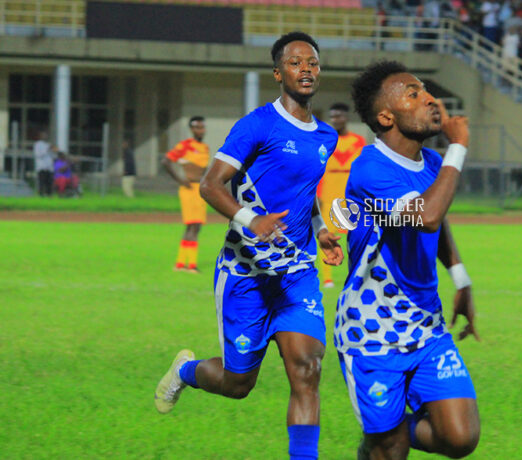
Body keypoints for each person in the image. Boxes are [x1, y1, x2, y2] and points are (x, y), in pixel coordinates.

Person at [153, 32, 343, 460]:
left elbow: (306, 191)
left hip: (296, 274)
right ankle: (185, 370)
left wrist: (319, 229)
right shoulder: (257, 125)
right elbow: (210, 185)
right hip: (245, 276)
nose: (306, 69)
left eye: (313, 62)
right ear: (278, 73)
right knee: (237, 384)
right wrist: (251, 220)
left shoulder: (326, 136)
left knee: (307, 371)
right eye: (295, 63)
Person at [338, 60, 480, 459]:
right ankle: (383, 438)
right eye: (414, 94)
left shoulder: (432, 164)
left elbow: (437, 221)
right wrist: (458, 146)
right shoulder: (370, 169)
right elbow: (426, 214)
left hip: (426, 326)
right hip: (372, 332)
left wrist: (461, 278)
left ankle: (386, 432)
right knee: (391, 450)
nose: (430, 100)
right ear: (386, 117)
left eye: (427, 91)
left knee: (460, 438)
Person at [316, 102, 365, 288]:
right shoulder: (325, 141)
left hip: (352, 195)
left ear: (346, 117)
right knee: (327, 236)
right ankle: (327, 277)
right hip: (329, 195)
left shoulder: (358, 142)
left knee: (356, 236)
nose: (335, 119)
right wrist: (318, 195)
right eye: (332, 116)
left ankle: (355, 274)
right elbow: (319, 170)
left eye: (338, 116)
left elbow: (362, 169)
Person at [161, 116, 209, 273]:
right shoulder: (185, 145)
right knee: (194, 225)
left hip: (199, 189)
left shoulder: (205, 148)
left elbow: (204, 170)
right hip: (189, 189)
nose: (201, 130)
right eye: (197, 127)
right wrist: (180, 180)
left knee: (194, 226)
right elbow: (166, 161)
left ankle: (180, 264)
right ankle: (192, 265)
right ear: (191, 129)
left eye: (202, 127)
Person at [33, 130, 54, 197]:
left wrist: (52, 150)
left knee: (49, 183)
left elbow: (52, 156)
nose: (45, 137)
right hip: (42, 167)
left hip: (49, 167)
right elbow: (38, 155)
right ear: (40, 136)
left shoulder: (48, 144)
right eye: (43, 135)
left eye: (46, 135)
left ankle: (49, 196)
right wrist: (47, 149)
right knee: (42, 183)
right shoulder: (37, 144)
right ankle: (41, 195)